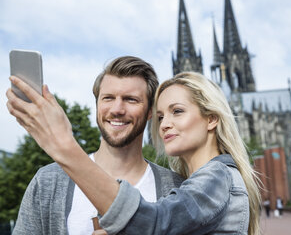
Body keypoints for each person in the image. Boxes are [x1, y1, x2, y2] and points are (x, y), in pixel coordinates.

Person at [7, 71, 261, 234]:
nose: (165, 124)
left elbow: (153, 221)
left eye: (178, 111)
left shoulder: (211, 178)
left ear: (211, 119)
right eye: (162, 116)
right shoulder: (48, 180)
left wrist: (63, 146)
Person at [8, 56, 184, 234]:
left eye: (131, 99)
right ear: (97, 105)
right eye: (108, 98)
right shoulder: (48, 181)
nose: (116, 109)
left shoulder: (177, 188)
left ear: (149, 112)